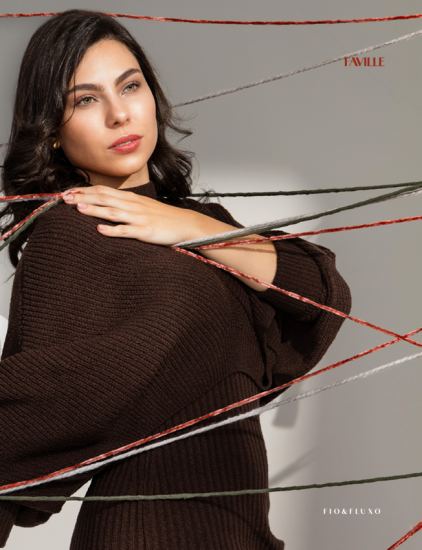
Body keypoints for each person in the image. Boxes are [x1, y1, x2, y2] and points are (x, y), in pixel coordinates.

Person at [0, 9, 351, 549]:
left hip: (244, 537)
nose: (120, 114)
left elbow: (323, 295)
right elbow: (23, 417)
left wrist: (190, 226)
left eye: (130, 86)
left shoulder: (203, 221)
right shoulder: (71, 233)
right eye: (86, 100)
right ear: (52, 134)